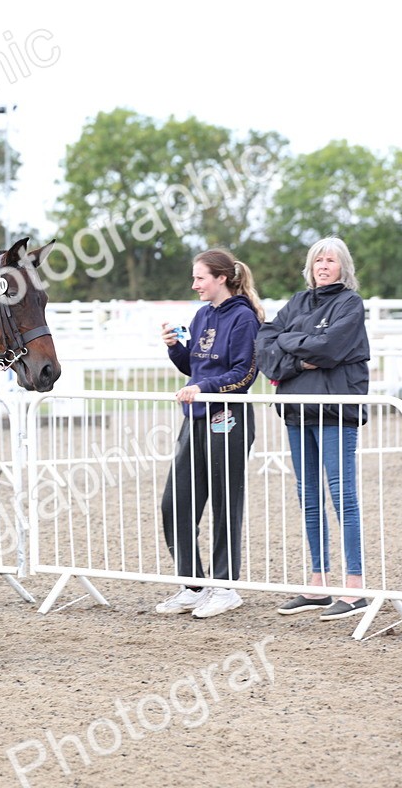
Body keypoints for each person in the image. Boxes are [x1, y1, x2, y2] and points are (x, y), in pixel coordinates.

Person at [256, 236, 370, 621]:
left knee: (342, 495)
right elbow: (266, 346)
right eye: (318, 260)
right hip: (296, 410)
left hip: (335, 411)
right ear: (310, 266)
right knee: (308, 496)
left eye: (331, 260)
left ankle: (355, 586)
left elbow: (331, 348)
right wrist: (301, 356)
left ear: (343, 267)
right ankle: (318, 582)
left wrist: (293, 346)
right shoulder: (298, 302)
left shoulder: (350, 304)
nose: (324, 265)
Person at [154, 249, 264, 619]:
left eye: (200, 277)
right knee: (175, 501)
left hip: (228, 418)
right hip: (196, 417)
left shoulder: (244, 318)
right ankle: (193, 583)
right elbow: (194, 365)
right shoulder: (201, 315)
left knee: (224, 502)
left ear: (221, 278)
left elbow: (245, 373)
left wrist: (206, 389)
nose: (194, 284)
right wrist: (175, 350)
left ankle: (225, 584)